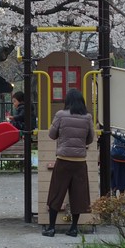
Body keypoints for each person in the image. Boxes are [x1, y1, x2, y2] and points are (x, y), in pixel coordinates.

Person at [43, 89, 95, 238]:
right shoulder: (87, 117)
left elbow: (52, 135)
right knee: (79, 194)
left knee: (56, 192)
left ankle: (51, 228)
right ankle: (73, 229)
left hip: (63, 160)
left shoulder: (60, 115)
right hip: (79, 162)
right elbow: (90, 139)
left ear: (67, 101)